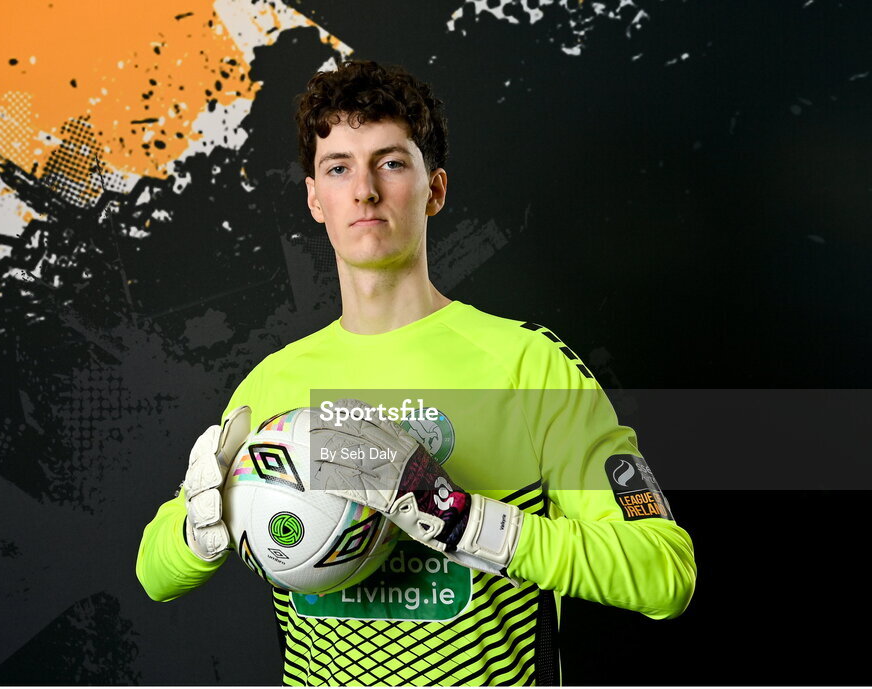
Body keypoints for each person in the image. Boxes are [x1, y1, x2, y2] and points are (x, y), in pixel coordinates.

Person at [136, 60, 696, 686]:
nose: (365, 190)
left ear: (435, 189)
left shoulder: (526, 366)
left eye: (392, 162)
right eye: (338, 167)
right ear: (315, 199)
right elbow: (153, 575)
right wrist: (200, 528)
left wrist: (467, 521)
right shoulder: (273, 386)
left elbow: (664, 574)